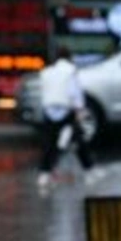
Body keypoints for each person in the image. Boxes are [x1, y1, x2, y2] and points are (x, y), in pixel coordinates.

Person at [36, 46, 102, 193]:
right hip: (66, 109)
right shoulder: (71, 71)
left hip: (49, 109)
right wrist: (79, 109)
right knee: (79, 141)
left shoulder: (47, 72)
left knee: (50, 143)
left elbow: (43, 91)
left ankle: (44, 174)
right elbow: (74, 91)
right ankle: (89, 171)